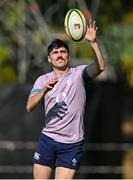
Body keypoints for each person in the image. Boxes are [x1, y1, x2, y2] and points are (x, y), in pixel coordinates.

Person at [26, 18, 105, 179]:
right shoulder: (42, 80)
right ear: (49, 59)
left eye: (62, 51)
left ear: (68, 56)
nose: (59, 55)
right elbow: (29, 106)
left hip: (72, 144)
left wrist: (93, 43)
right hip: (48, 139)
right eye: (55, 53)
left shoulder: (79, 74)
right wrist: (43, 91)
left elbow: (100, 67)